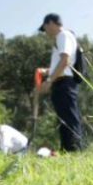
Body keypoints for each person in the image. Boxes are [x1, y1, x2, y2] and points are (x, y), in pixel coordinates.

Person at [36, 13, 83, 152]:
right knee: (64, 119)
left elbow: (65, 61)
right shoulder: (61, 38)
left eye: (45, 28)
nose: (45, 32)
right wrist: (48, 72)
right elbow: (62, 64)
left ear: (50, 23)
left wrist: (49, 81)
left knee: (69, 119)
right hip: (61, 82)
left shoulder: (63, 35)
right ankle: (67, 150)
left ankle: (75, 151)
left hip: (64, 83)